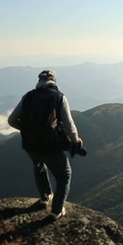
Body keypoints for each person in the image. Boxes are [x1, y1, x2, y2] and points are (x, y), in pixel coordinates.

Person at [8, 69, 84, 219]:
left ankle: (45, 197)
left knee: (39, 166)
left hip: (30, 144)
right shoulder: (59, 97)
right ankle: (56, 210)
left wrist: (27, 131)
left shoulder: (28, 96)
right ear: (54, 81)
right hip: (51, 145)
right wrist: (76, 141)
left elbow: (11, 120)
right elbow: (69, 125)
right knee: (64, 176)